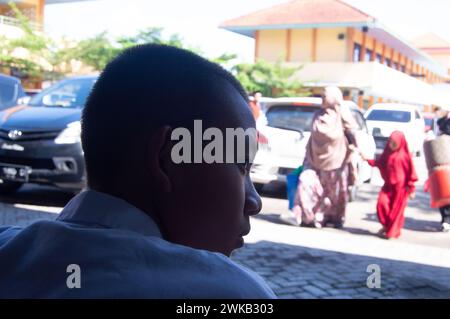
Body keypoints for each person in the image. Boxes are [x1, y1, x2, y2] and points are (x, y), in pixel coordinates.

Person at [0, 45, 275, 298]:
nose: (255, 202)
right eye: (240, 166)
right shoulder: (230, 292)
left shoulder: (8, 251)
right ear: (168, 158)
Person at [291, 86, 357, 228]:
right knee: (305, 183)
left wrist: (355, 150)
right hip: (314, 159)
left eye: (325, 96)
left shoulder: (342, 115)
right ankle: (307, 216)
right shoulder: (318, 115)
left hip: (336, 161)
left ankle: (328, 218)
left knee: (334, 193)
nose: (322, 99)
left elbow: (353, 134)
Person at [360, 131, 418, 239]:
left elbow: (411, 173)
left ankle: (391, 232)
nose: (392, 145)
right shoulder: (387, 153)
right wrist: (368, 160)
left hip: (400, 189)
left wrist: (411, 189)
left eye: (395, 143)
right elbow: (379, 163)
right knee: (381, 205)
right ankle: (386, 226)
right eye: (391, 142)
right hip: (387, 187)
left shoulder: (405, 156)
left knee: (395, 212)